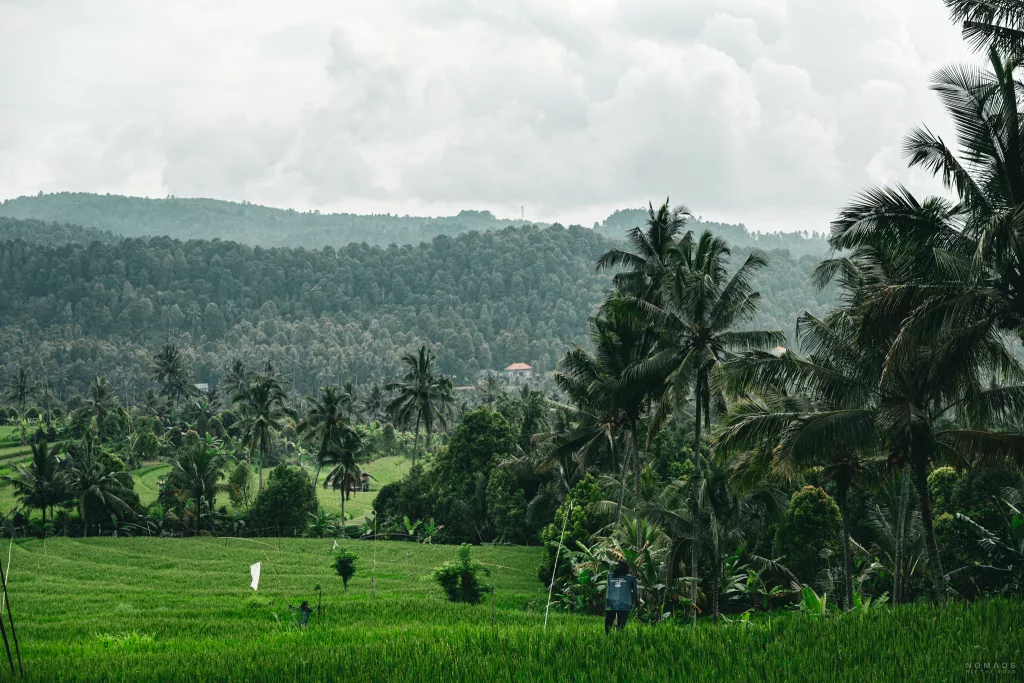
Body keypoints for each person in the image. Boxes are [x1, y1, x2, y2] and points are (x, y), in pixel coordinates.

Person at [604, 560, 638, 633]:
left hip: (611, 603)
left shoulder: (610, 576)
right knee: (621, 625)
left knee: (608, 623)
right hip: (624, 603)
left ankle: (608, 637)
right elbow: (634, 592)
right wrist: (635, 603)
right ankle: (617, 638)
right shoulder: (631, 579)